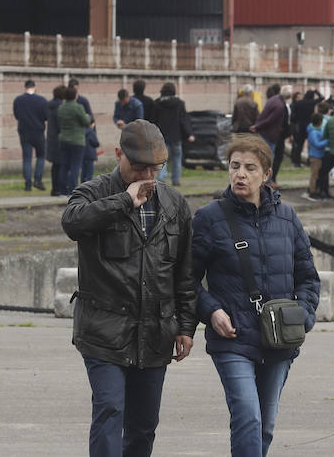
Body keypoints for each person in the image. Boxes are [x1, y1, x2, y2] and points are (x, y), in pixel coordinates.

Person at [62, 120, 196, 457]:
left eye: (155, 168)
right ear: (119, 153)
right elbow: (73, 222)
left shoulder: (174, 204)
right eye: (138, 167)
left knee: (143, 426)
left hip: (155, 333)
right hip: (104, 332)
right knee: (109, 410)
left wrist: (185, 326)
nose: (147, 175)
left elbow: (184, 272)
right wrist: (124, 201)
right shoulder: (93, 192)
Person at [192, 134, 319, 455]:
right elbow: (183, 280)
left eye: (250, 168)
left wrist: (302, 316)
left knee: (265, 424)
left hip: (279, 340)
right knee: (247, 416)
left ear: (266, 174)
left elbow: (307, 277)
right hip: (232, 338)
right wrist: (211, 311)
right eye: (235, 166)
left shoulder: (287, 218)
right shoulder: (210, 218)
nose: (241, 174)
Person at [149, 83, 192, 187]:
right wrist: (189, 133)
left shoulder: (157, 103)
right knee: (177, 158)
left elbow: (153, 121)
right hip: (176, 136)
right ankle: (176, 180)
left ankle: (161, 178)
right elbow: (183, 119)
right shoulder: (180, 103)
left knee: (162, 159)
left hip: (161, 136)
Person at [14, 78, 49, 192]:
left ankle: (28, 184)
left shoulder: (18, 100)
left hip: (24, 132)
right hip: (38, 132)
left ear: (25, 87)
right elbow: (46, 117)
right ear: (35, 87)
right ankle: (38, 180)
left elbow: (17, 115)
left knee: (27, 158)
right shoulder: (42, 100)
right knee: (40, 156)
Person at [58, 84, 94, 194]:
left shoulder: (61, 107)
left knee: (64, 165)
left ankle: (62, 190)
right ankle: (73, 189)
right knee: (75, 166)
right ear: (75, 96)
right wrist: (88, 117)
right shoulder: (78, 107)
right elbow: (86, 121)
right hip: (77, 140)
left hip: (64, 139)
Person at [252, 84, 287, 185]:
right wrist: (257, 126)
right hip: (271, 134)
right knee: (269, 158)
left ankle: (265, 179)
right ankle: (267, 180)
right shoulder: (279, 105)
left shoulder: (272, 101)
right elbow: (270, 119)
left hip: (266, 133)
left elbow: (264, 116)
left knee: (266, 157)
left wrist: (258, 125)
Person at [304, 103, 330, 202]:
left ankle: (314, 190)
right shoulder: (314, 133)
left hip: (319, 155)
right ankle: (312, 192)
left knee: (317, 174)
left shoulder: (316, 130)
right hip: (315, 156)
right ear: (319, 122)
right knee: (314, 175)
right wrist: (327, 140)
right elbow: (317, 144)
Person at [290, 89, 320, 167]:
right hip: (310, 126)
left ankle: (297, 162)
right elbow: (322, 98)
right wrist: (316, 91)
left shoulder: (298, 103)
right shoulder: (312, 102)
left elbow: (293, 115)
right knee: (310, 145)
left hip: (300, 126)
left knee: (299, 145)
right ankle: (309, 161)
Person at [47, 85, 67, 196]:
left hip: (51, 138)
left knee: (56, 166)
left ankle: (55, 189)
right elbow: (61, 125)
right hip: (60, 140)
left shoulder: (50, 105)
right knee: (61, 165)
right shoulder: (60, 107)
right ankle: (59, 189)